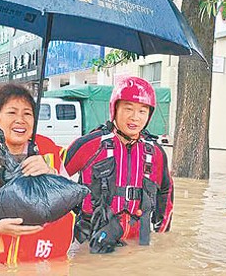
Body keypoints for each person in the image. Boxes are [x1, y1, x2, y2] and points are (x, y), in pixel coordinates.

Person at [0, 83, 74, 265]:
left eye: (27, 113)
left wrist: (50, 173)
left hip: (41, 261)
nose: (21, 120)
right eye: (12, 113)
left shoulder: (49, 151)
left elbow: (71, 201)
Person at [64, 76, 173, 253]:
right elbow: (54, 183)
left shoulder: (156, 153)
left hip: (137, 243)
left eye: (142, 111)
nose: (135, 118)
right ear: (114, 108)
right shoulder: (88, 145)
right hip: (91, 241)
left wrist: (161, 237)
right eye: (128, 109)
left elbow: (166, 193)